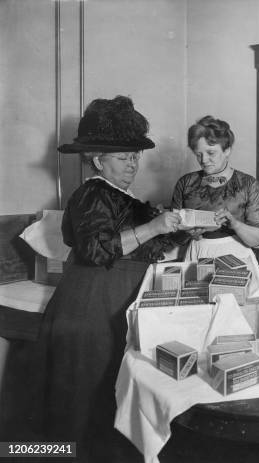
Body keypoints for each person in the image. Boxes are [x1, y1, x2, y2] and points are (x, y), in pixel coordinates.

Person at [3, 96, 182, 461]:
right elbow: (95, 250)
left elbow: (149, 243)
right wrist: (153, 226)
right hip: (88, 309)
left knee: (105, 403)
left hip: (112, 305)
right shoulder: (91, 194)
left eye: (134, 155)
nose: (132, 163)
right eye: (122, 157)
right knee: (79, 407)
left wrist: (184, 226)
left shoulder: (120, 196)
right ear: (97, 159)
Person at [171, 116, 259, 298]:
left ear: (227, 150)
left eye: (211, 153)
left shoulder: (247, 184)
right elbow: (173, 235)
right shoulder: (186, 183)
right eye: (198, 154)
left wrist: (236, 224)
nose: (204, 160)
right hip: (197, 255)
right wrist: (188, 233)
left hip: (236, 258)